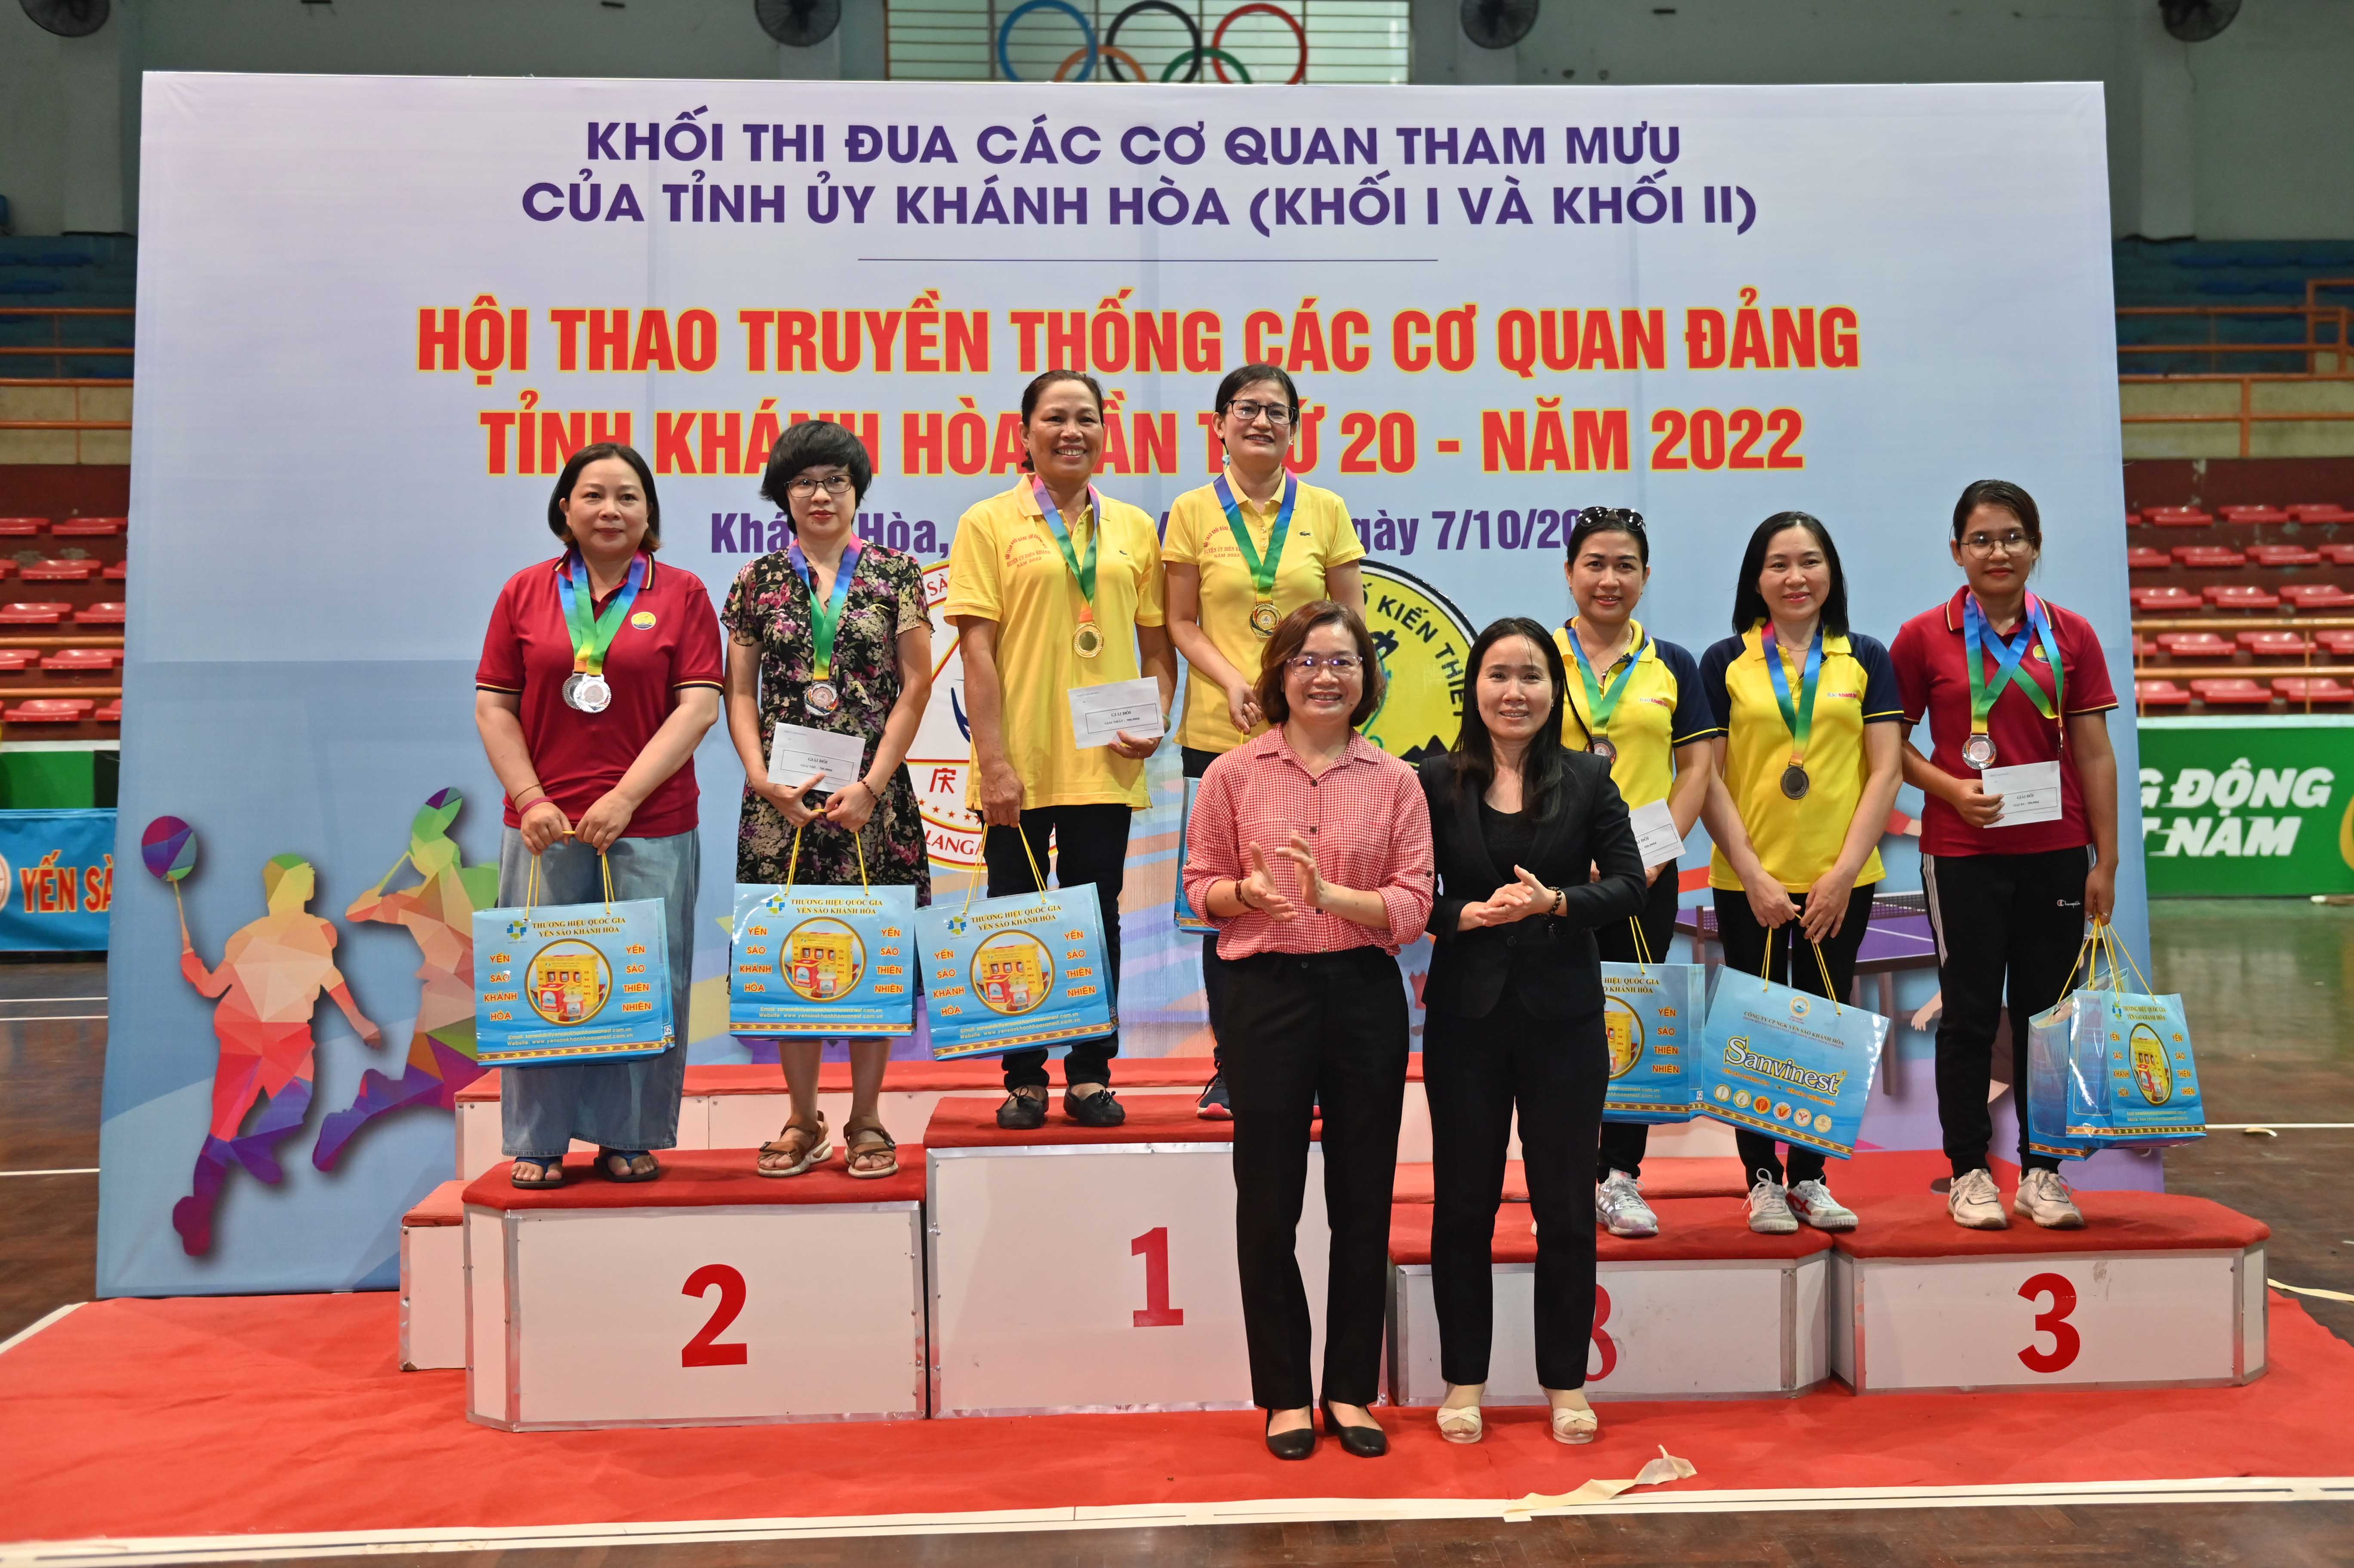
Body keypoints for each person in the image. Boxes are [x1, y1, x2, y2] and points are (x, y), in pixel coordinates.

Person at [1183, 601, 1432, 1461]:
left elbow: (1411, 907)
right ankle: (1285, 1393)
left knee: (1363, 1202)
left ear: (1368, 677)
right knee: (1270, 1199)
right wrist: (1245, 895)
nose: (1328, 674)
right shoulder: (1232, 773)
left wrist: (1334, 899)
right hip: (1267, 993)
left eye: (1346, 659)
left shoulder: (1398, 779)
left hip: (1364, 992)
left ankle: (1351, 1388)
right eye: (1309, 659)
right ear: (1279, 672)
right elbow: (1198, 887)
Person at [1419, 618, 1646, 1446]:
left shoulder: (1589, 778)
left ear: (1556, 691)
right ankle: (1463, 1381)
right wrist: (1462, 915)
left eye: (1533, 676)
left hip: (1565, 1024)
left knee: (1565, 1209)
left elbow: (1630, 886)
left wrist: (1555, 902)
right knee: (1463, 1208)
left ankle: (1565, 1384)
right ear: (1474, 687)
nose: (1515, 691)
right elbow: (1410, 890)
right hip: (1466, 1024)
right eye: (1499, 675)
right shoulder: (1434, 778)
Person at [475, 442, 721, 1187]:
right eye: (593, 496)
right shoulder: (525, 592)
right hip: (545, 827)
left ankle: (630, 1132)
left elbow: (699, 707)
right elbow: (494, 705)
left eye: (627, 497)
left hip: (652, 821)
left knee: (647, 975)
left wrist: (624, 798)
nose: (610, 509)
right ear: (564, 509)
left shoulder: (681, 592)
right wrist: (531, 800)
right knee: (545, 975)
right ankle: (539, 1138)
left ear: (649, 514)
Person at [946, 370, 1177, 1130]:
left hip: (1105, 761)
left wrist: (1158, 718)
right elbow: (977, 656)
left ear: (1106, 432)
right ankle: (1023, 1077)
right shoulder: (988, 522)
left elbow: (1157, 646)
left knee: (1096, 915)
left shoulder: (1135, 528)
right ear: (1025, 434)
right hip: (1020, 761)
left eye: (1087, 418)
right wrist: (997, 763)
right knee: (1017, 916)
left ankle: (1088, 1072)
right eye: (1055, 418)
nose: (1071, 431)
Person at [1892, 479, 2119, 1230]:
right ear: (1956, 550)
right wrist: (1952, 790)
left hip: (2057, 850)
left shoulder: (2073, 634)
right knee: (1967, 1014)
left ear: (2036, 546)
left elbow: (2094, 751)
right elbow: (1887, 748)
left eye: (2013, 536)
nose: (1999, 551)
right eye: (1982, 538)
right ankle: (1967, 1170)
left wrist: (2105, 860)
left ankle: (2044, 1172)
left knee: (2045, 1017)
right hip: (1961, 852)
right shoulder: (1925, 636)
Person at [723, 420, 933, 1180]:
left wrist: (873, 784)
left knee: (871, 949)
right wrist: (759, 776)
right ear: (784, 493)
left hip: (874, 801)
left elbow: (917, 686)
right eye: (806, 481)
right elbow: (738, 691)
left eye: (836, 481)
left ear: (858, 493)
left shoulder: (895, 574)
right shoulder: (756, 581)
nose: (821, 493)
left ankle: (868, 1117)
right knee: (794, 952)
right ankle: (801, 1117)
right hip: (781, 805)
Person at [1163, 363, 1367, 1120]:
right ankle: (1232, 1061)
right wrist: (1230, 680)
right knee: (1228, 902)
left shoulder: (1325, 508)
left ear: (1295, 426)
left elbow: (1352, 622)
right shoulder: (1190, 510)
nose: (1260, 421)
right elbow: (1181, 621)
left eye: (1276, 411)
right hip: (1221, 736)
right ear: (1218, 423)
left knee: (1315, 892)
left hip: (1312, 734)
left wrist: (1310, 694)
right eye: (1245, 409)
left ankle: (1314, 1058)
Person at [1698, 511, 1902, 1234]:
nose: (1796, 577)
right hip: (1747, 878)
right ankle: (1760, 1179)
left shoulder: (1866, 657)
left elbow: (1885, 771)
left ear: (1831, 574)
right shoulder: (1723, 660)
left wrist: (1845, 871)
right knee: (1753, 1025)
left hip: (1838, 877)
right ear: (1757, 579)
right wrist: (1751, 871)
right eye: (1779, 563)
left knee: (1823, 1024)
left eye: (1810, 561)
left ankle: (1811, 1177)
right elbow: (1709, 777)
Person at [1554, 508, 1719, 1239]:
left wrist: (1651, 856)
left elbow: (1699, 770)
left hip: (1641, 879)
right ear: (1569, 572)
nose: (1609, 579)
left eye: (1625, 565)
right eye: (1595, 563)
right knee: (1554, 1024)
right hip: (1552, 878)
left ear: (1646, 577)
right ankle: (1558, 1174)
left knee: (1630, 1023)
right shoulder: (1536, 653)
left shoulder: (1674, 665)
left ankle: (1620, 1176)